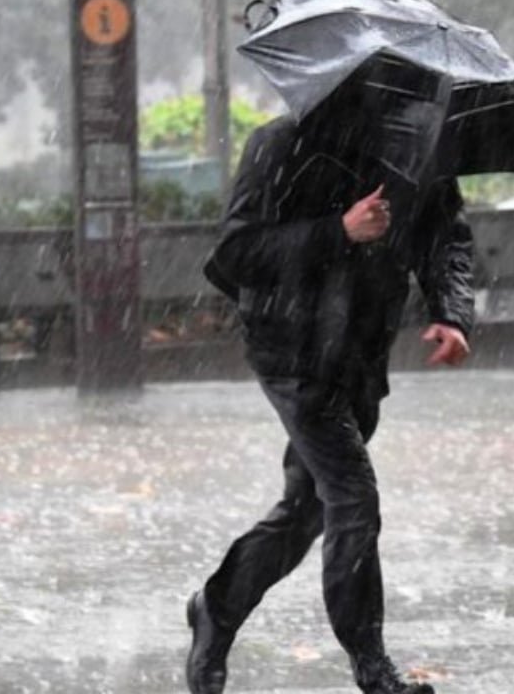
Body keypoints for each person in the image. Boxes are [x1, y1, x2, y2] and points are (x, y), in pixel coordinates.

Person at [186, 90, 474, 693]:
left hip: (361, 353)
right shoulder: (280, 144)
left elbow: (446, 236)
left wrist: (451, 314)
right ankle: (372, 668)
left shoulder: (418, 150)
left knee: (306, 511)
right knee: (353, 498)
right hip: (291, 350)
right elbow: (236, 253)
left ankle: (217, 609)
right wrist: (337, 231)